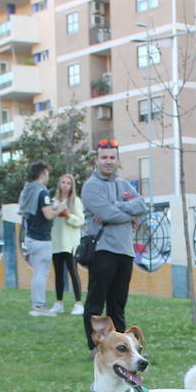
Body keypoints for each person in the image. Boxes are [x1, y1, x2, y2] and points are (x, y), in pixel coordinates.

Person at [80, 139, 149, 352]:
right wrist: (123, 213)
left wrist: (117, 207)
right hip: (103, 251)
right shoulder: (91, 186)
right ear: (97, 160)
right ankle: (95, 348)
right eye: (104, 157)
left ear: (117, 159)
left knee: (118, 304)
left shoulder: (123, 184)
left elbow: (141, 205)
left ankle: (121, 348)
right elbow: (106, 213)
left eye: (112, 157)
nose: (108, 161)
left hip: (125, 251)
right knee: (96, 303)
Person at [18, 161, 57, 316]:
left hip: (30, 237)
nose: (48, 177)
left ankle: (36, 304)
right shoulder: (42, 192)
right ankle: (39, 306)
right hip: (41, 238)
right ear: (42, 174)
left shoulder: (27, 191)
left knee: (37, 272)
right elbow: (47, 214)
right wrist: (58, 210)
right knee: (42, 272)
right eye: (47, 174)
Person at [49, 173, 85, 315]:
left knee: (73, 272)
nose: (65, 185)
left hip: (70, 243)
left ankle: (78, 303)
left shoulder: (75, 201)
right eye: (62, 182)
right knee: (58, 274)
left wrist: (68, 215)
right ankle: (59, 302)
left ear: (71, 186)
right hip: (56, 242)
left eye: (68, 183)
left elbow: (80, 221)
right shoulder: (53, 201)